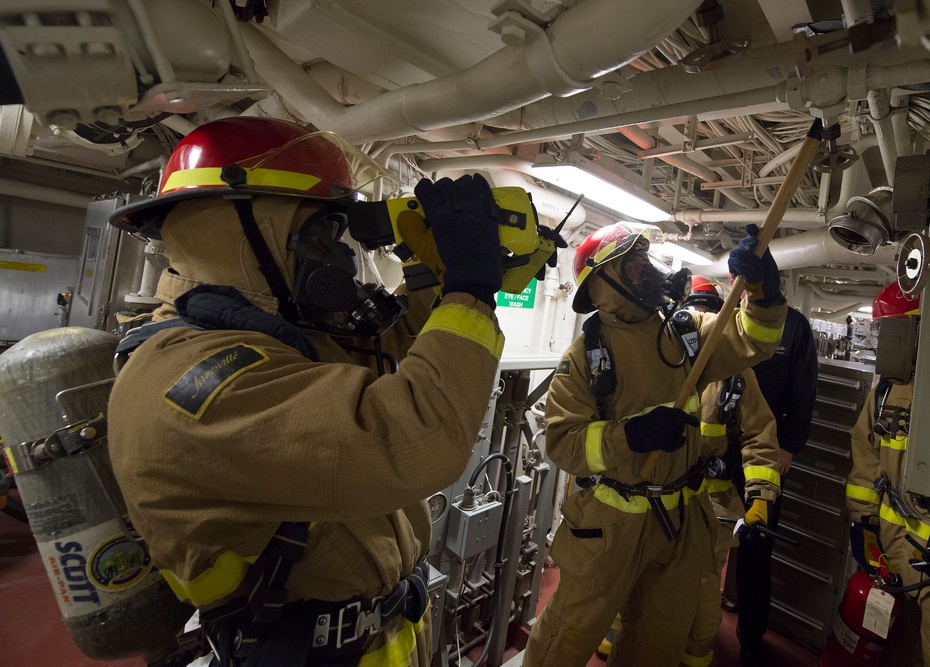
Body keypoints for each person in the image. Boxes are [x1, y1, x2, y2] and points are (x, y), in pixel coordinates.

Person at [104, 117, 508, 667]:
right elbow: (410, 436)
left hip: (378, 637)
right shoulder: (198, 382)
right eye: (321, 234)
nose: (337, 256)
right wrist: (470, 290)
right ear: (243, 233)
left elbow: (386, 363)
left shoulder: (270, 340)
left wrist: (431, 276)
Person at [522, 222, 788, 667]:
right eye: (632, 262)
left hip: (680, 525)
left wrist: (762, 292)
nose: (646, 268)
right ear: (601, 281)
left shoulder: (686, 333)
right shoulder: (584, 357)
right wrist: (632, 435)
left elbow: (751, 342)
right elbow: (564, 443)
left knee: (657, 646)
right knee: (566, 638)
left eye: (645, 258)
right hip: (609, 528)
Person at [845, 282, 930, 667]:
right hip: (889, 546)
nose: (882, 342)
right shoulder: (883, 390)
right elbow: (866, 461)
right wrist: (863, 525)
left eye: (889, 331)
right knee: (888, 643)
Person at [679, 277, 782, 667]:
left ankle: (695, 658)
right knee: (644, 579)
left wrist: (759, 496)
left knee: (705, 589)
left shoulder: (738, 374)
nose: (700, 317)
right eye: (695, 308)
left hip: (712, 506)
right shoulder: (663, 357)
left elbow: (760, 433)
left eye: (709, 309)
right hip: (655, 498)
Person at [722, 286, 817, 667]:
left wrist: (789, 446)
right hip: (714, 449)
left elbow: (804, 390)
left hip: (763, 458)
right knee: (695, 536)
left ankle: (750, 638)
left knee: (755, 550)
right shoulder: (724, 317)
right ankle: (691, 621)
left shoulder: (793, 327)